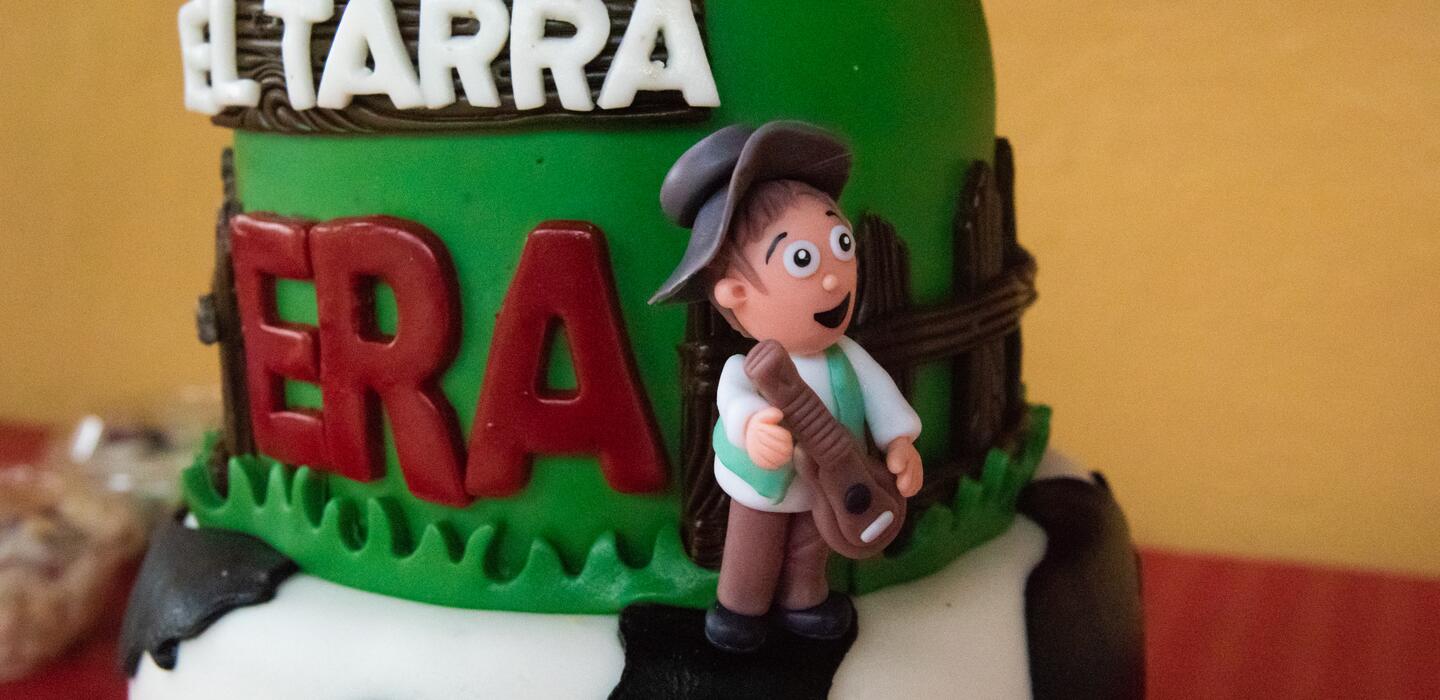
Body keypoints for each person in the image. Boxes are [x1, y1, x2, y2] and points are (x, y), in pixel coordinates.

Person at [652, 122, 923, 652]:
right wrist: (752, 427)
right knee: (752, 548)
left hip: (829, 488)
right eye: (802, 259)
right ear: (734, 294)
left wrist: (899, 443)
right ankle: (740, 608)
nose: (833, 278)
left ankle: (805, 600)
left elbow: (883, 400)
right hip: (765, 483)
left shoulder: (848, 357)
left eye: (841, 244)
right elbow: (734, 403)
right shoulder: (746, 367)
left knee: (810, 548)